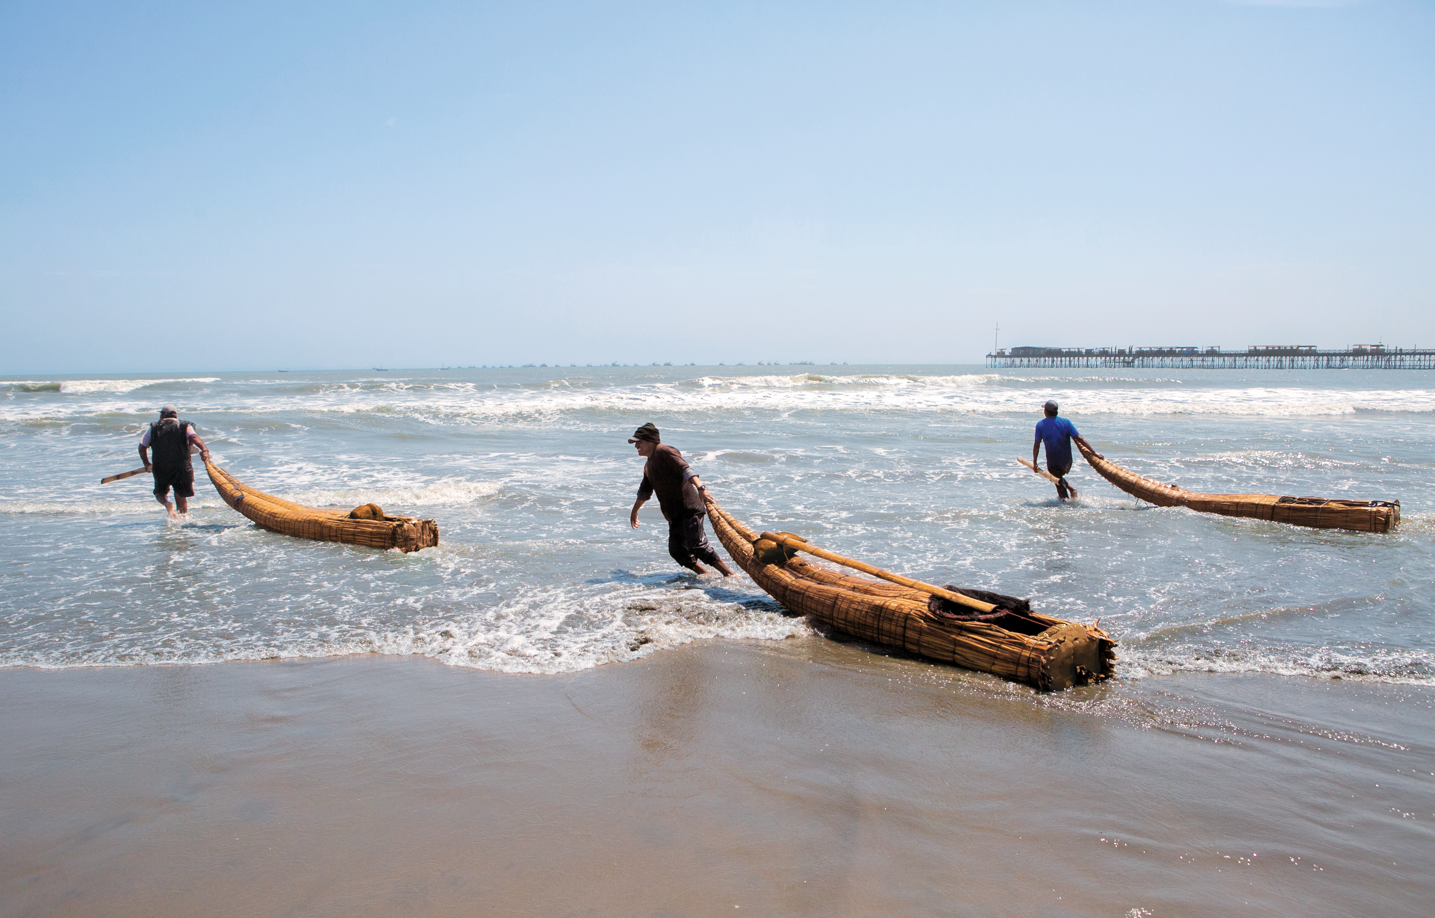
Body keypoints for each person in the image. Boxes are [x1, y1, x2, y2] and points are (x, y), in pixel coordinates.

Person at [627, 423, 733, 576]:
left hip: (689, 509)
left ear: (650, 442)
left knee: (697, 545)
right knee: (676, 550)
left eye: (639, 442)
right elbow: (644, 491)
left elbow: (685, 469)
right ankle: (705, 575)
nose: (636, 445)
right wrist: (634, 512)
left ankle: (729, 574)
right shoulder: (648, 465)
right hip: (674, 515)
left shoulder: (665, 451)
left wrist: (701, 488)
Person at [139, 406, 210, 519]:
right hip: (182, 467)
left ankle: (167, 504)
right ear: (175, 415)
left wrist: (147, 463)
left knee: (159, 493)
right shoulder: (184, 426)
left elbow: (142, 447)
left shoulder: (153, 428)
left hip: (161, 467)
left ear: (162, 415)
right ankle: (182, 520)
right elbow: (194, 438)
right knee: (181, 494)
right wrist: (204, 450)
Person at [1031, 400, 1102, 501]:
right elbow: (1079, 438)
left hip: (1053, 461)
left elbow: (1036, 445)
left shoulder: (1040, 425)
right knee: (1058, 479)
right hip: (1067, 461)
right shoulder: (1066, 422)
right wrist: (1094, 452)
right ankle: (1069, 495)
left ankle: (1067, 500)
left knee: (1058, 483)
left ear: (1046, 411)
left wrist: (1035, 463)